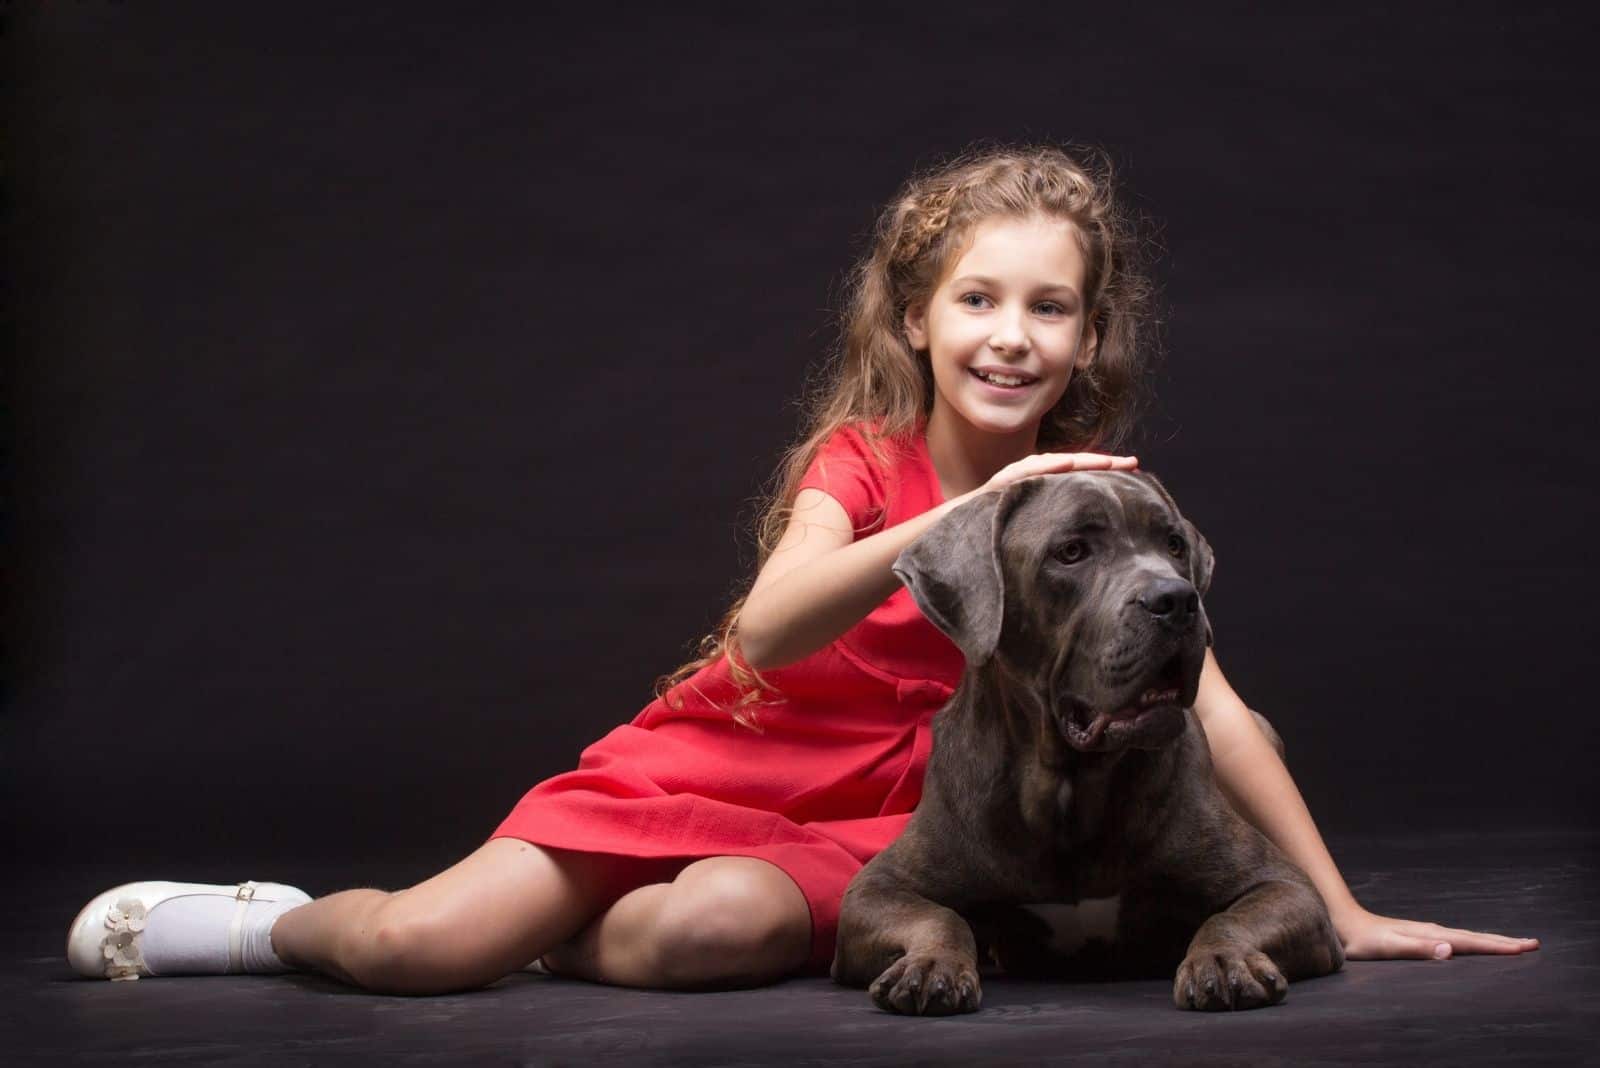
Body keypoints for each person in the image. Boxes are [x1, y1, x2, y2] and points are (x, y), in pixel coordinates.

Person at [67, 144, 1538, 994]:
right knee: (423, 950)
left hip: (896, 811)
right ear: (916, 317)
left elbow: (1218, 708)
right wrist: (970, 519)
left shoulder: (1102, 500)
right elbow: (768, 629)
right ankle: (259, 919)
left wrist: (1336, 906)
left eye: (1050, 306)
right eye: (976, 298)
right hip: (742, 755)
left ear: (1092, 338)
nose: (1011, 335)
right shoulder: (864, 458)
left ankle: (553, 948)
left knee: (726, 926)